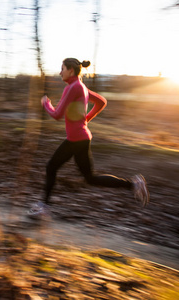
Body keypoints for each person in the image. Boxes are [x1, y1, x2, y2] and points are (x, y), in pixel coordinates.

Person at [28, 58, 149, 217]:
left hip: (76, 139)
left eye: (62, 68)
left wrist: (46, 104)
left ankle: (44, 207)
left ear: (71, 70)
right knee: (90, 178)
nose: (60, 72)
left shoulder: (72, 88)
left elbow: (57, 114)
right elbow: (101, 102)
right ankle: (133, 184)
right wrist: (86, 119)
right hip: (81, 138)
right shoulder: (81, 87)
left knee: (51, 167)